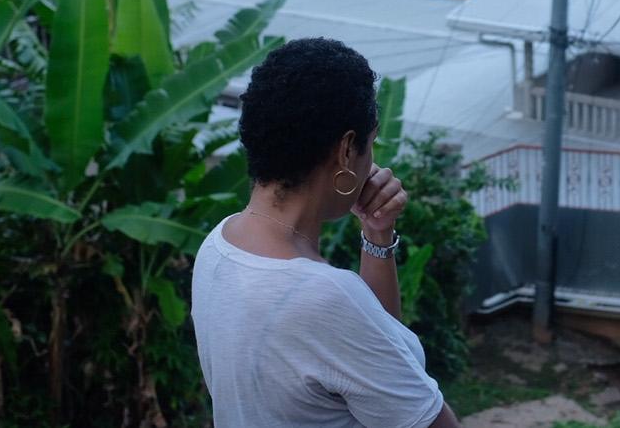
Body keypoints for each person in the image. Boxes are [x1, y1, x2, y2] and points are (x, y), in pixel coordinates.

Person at [191, 38, 460, 428]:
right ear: (347, 149)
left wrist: (376, 233)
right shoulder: (325, 296)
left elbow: (381, 347)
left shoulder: (218, 246)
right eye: (372, 143)